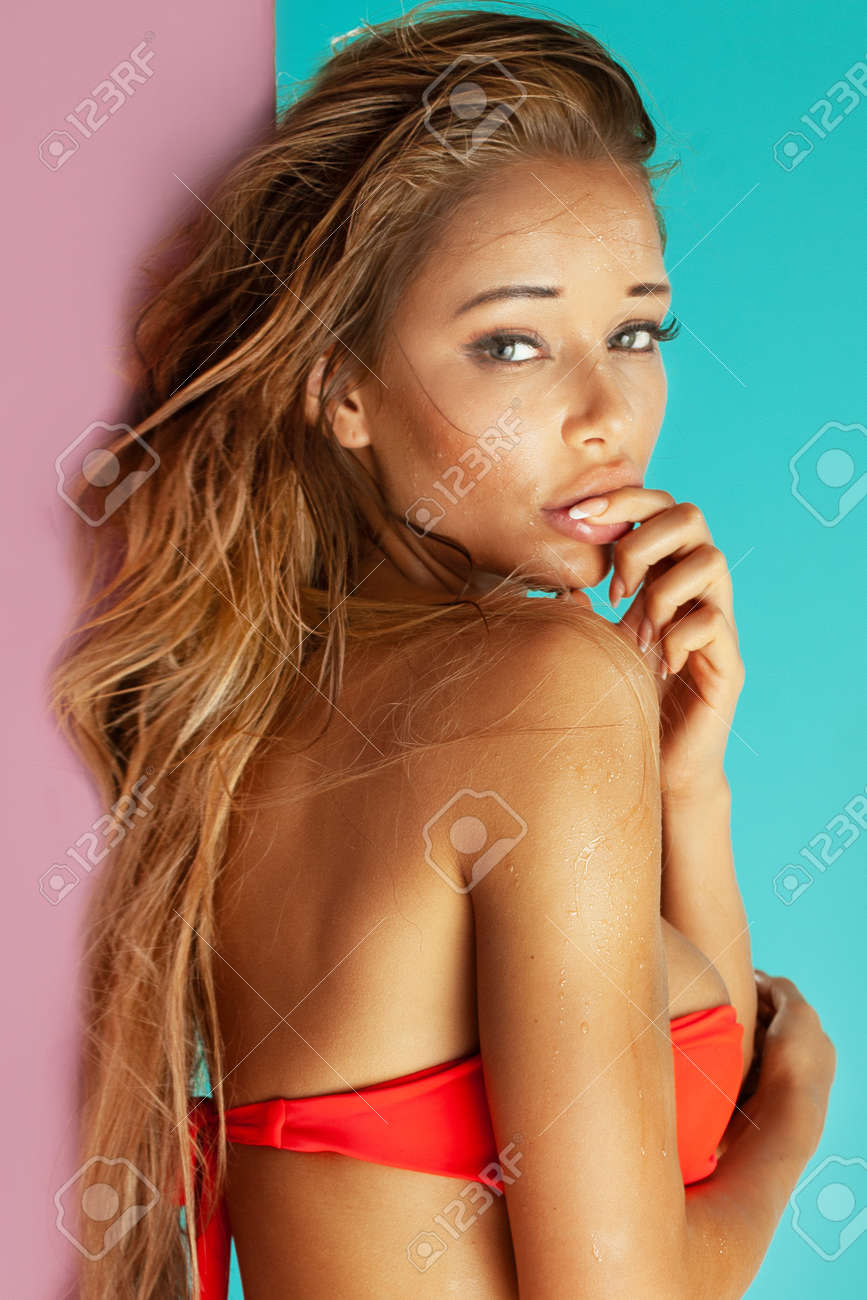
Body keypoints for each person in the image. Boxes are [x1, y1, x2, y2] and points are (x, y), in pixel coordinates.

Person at [49, 4, 835, 1296]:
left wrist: (689, 778)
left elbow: (669, 1104)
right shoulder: (541, 691)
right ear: (341, 385)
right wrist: (793, 1134)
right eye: (511, 344)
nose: (604, 415)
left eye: (636, 333)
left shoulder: (273, 712)